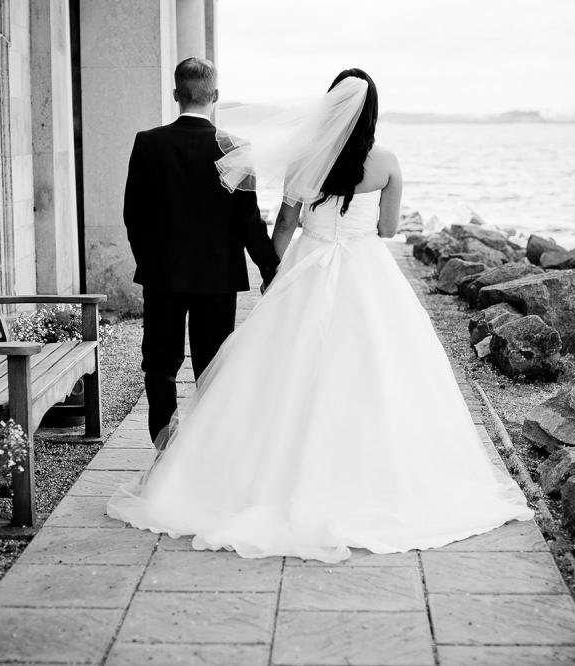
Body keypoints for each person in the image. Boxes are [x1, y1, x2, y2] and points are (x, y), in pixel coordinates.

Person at [108, 68, 533, 563]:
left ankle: (192, 458)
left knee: (253, 368)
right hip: (361, 271)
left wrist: (275, 274)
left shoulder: (303, 159)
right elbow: (389, 229)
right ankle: (359, 472)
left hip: (297, 268)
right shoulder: (387, 163)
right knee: (373, 371)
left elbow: (281, 222)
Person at [123, 57, 280, 442]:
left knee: (160, 365)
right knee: (212, 367)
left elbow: (133, 215)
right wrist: (271, 269)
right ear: (215, 96)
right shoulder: (235, 148)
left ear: (176, 94)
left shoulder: (148, 143)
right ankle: (204, 455)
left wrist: (151, 262)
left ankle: (164, 450)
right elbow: (249, 221)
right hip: (217, 278)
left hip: (163, 277)